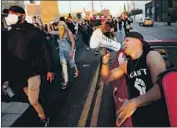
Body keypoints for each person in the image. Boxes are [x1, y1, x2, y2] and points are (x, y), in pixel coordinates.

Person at [100, 31, 169, 127]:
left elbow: (161, 88)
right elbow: (106, 78)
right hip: (138, 117)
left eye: (127, 40)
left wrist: (134, 102)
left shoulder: (151, 56)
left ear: (139, 42)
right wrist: (105, 63)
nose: (123, 43)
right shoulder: (126, 65)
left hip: (156, 114)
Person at [3, 6, 54, 127]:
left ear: (23, 15)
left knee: (32, 100)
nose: (9, 16)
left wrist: (50, 70)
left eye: (13, 13)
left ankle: (44, 118)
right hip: (18, 73)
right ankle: (38, 98)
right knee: (27, 94)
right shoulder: (9, 34)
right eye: (9, 14)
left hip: (33, 71)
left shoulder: (33, 31)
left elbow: (45, 50)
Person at [49, 17, 79, 89]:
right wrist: (48, 24)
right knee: (64, 65)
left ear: (64, 26)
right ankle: (66, 81)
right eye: (59, 26)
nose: (60, 27)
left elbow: (73, 42)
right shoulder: (59, 32)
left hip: (69, 51)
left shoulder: (69, 32)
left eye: (61, 26)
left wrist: (72, 51)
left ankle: (76, 70)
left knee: (71, 63)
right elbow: (49, 32)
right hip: (61, 52)